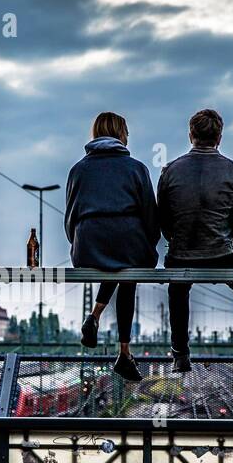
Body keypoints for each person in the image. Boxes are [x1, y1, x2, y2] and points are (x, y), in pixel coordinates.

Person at [158, 108, 233, 373]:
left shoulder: (169, 171)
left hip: (182, 253)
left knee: (178, 287)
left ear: (190, 135)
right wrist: (225, 238)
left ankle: (180, 355)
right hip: (222, 252)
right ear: (219, 137)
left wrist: (179, 239)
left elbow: (164, 223)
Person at [64, 111, 159, 382]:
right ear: (122, 134)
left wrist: (79, 242)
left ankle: (94, 317)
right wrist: (148, 245)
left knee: (114, 263)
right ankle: (124, 352)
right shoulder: (137, 169)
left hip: (88, 246)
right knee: (127, 269)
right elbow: (151, 218)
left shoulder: (78, 170)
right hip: (129, 245)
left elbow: (70, 216)